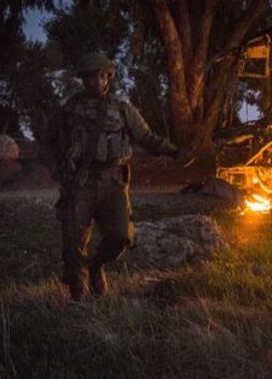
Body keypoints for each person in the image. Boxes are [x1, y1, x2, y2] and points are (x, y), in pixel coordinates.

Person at [45, 52, 179, 300]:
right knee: (72, 245)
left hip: (113, 182)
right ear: (83, 79)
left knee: (121, 236)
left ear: (108, 77)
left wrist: (175, 152)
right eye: (90, 77)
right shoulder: (69, 108)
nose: (95, 81)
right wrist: (57, 170)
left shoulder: (121, 107)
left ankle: (96, 265)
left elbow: (145, 137)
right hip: (80, 183)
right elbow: (47, 142)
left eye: (100, 76)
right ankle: (78, 299)